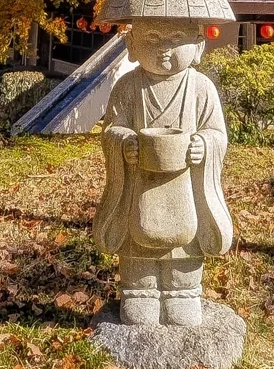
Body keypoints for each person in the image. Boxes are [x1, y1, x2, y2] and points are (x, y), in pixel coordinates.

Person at [92, 17, 233, 326]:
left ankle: (183, 292)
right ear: (131, 45)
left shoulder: (201, 87)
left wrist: (204, 146)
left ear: (198, 46)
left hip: (186, 191)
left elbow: (217, 134)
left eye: (175, 39)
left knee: (186, 253)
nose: (164, 50)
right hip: (138, 186)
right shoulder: (127, 86)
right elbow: (112, 129)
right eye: (152, 39)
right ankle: (139, 291)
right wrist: (124, 142)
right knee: (137, 255)